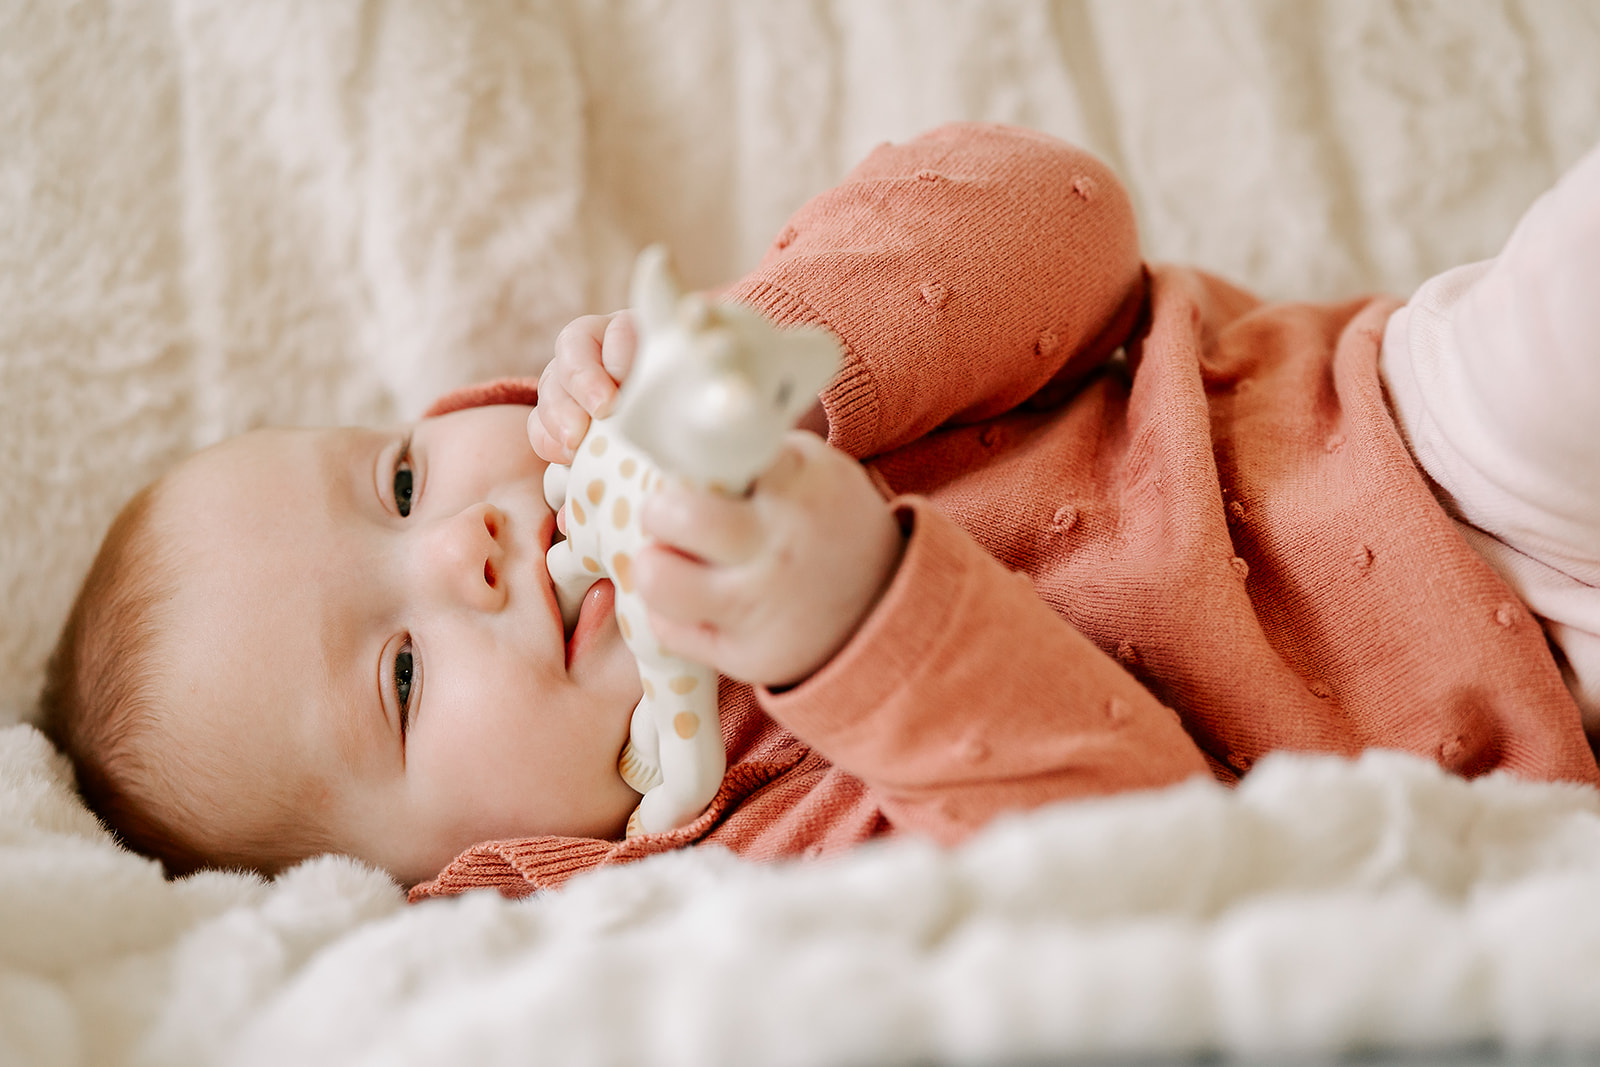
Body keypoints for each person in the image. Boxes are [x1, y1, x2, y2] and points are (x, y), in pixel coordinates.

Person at [38, 123, 1600, 901]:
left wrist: (783, 354)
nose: (466, 543)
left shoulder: (739, 358)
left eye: (396, 483)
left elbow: (1059, 215)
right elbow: (1140, 863)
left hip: (1416, 434)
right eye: (398, 674)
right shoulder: (768, 862)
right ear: (468, 873)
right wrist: (858, 630)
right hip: (1524, 763)